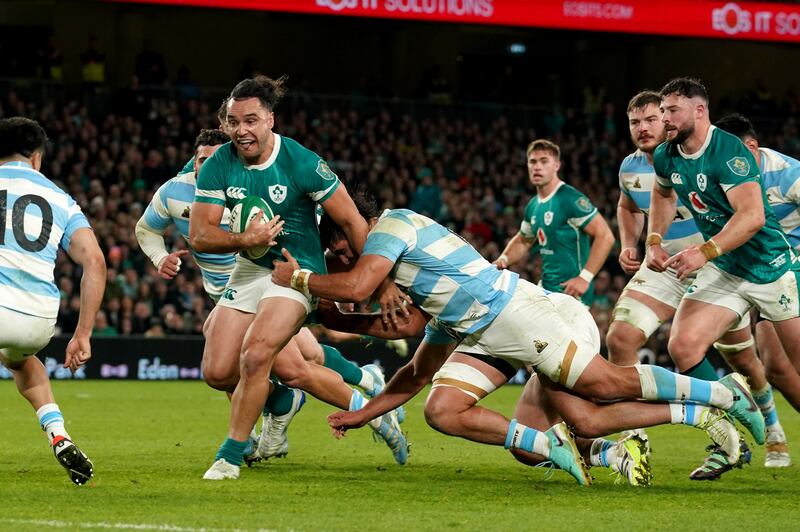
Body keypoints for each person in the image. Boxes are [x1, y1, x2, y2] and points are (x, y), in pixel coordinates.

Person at [272, 192, 766, 486]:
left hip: (519, 314)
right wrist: (363, 413)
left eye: (340, 247)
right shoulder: (424, 288)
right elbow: (413, 361)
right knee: (445, 411)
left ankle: (722, 394)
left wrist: (299, 282)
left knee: (601, 391)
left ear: (353, 226)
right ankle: (555, 448)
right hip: (484, 329)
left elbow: (358, 287)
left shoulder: (393, 226)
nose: (342, 258)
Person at [190, 76, 406, 480]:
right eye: (234, 122)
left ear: (270, 119)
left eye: (251, 120)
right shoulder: (218, 163)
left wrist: (383, 281)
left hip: (295, 270)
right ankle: (351, 409)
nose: (241, 131)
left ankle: (230, 456)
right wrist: (245, 239)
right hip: (249, 268)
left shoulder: (302, 162)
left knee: (258, 355)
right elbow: (199, 235)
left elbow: (352, 221)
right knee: (218, 372)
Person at [136, 128, 394, 466]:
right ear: (193, 161)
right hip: (229, 293)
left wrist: (326, 280)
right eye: (201, 160)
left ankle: (366, 409)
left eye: (214, 158)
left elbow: (310, 228)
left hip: (274, 284)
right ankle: (353, 384)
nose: (207, 165)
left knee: (289, 367)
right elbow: (146, 228)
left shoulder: (252, 183)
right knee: (262, 363)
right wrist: (160, 258)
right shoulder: (175, 192)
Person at [606, 91, 789, 475]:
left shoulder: (698, 154)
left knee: (743, 360)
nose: (644, 128)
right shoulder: (630, 167)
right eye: (635, 122)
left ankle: (773, 428)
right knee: (620, 339)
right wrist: (632, 243)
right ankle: (642, 440)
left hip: (713, 264)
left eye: (652, 119)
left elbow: (747, 211)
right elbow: (627, 205)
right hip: (664, 265)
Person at [0, 117, 106, 485]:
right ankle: (58, 434)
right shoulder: (61, 199)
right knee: (19, 362)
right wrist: (83, 334)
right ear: (36, 157)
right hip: (37, 320)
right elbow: (95, 262)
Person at [713, 112, 800, 466]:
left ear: (751, 147)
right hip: (764, 272)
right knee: (775, 367)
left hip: (792, 266)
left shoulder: (788, 174)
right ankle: (777, 440)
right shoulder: (727, 176)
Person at [495, 139, 614, 305]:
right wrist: (503, 259)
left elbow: (606, 236)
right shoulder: (533, 205)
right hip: (546, 289)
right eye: (533, 162)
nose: (537, 167)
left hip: (572, 295)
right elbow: (523, 240)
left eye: (544, 161)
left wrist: (584, 278)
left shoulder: (570, 198)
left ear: (556, 165)